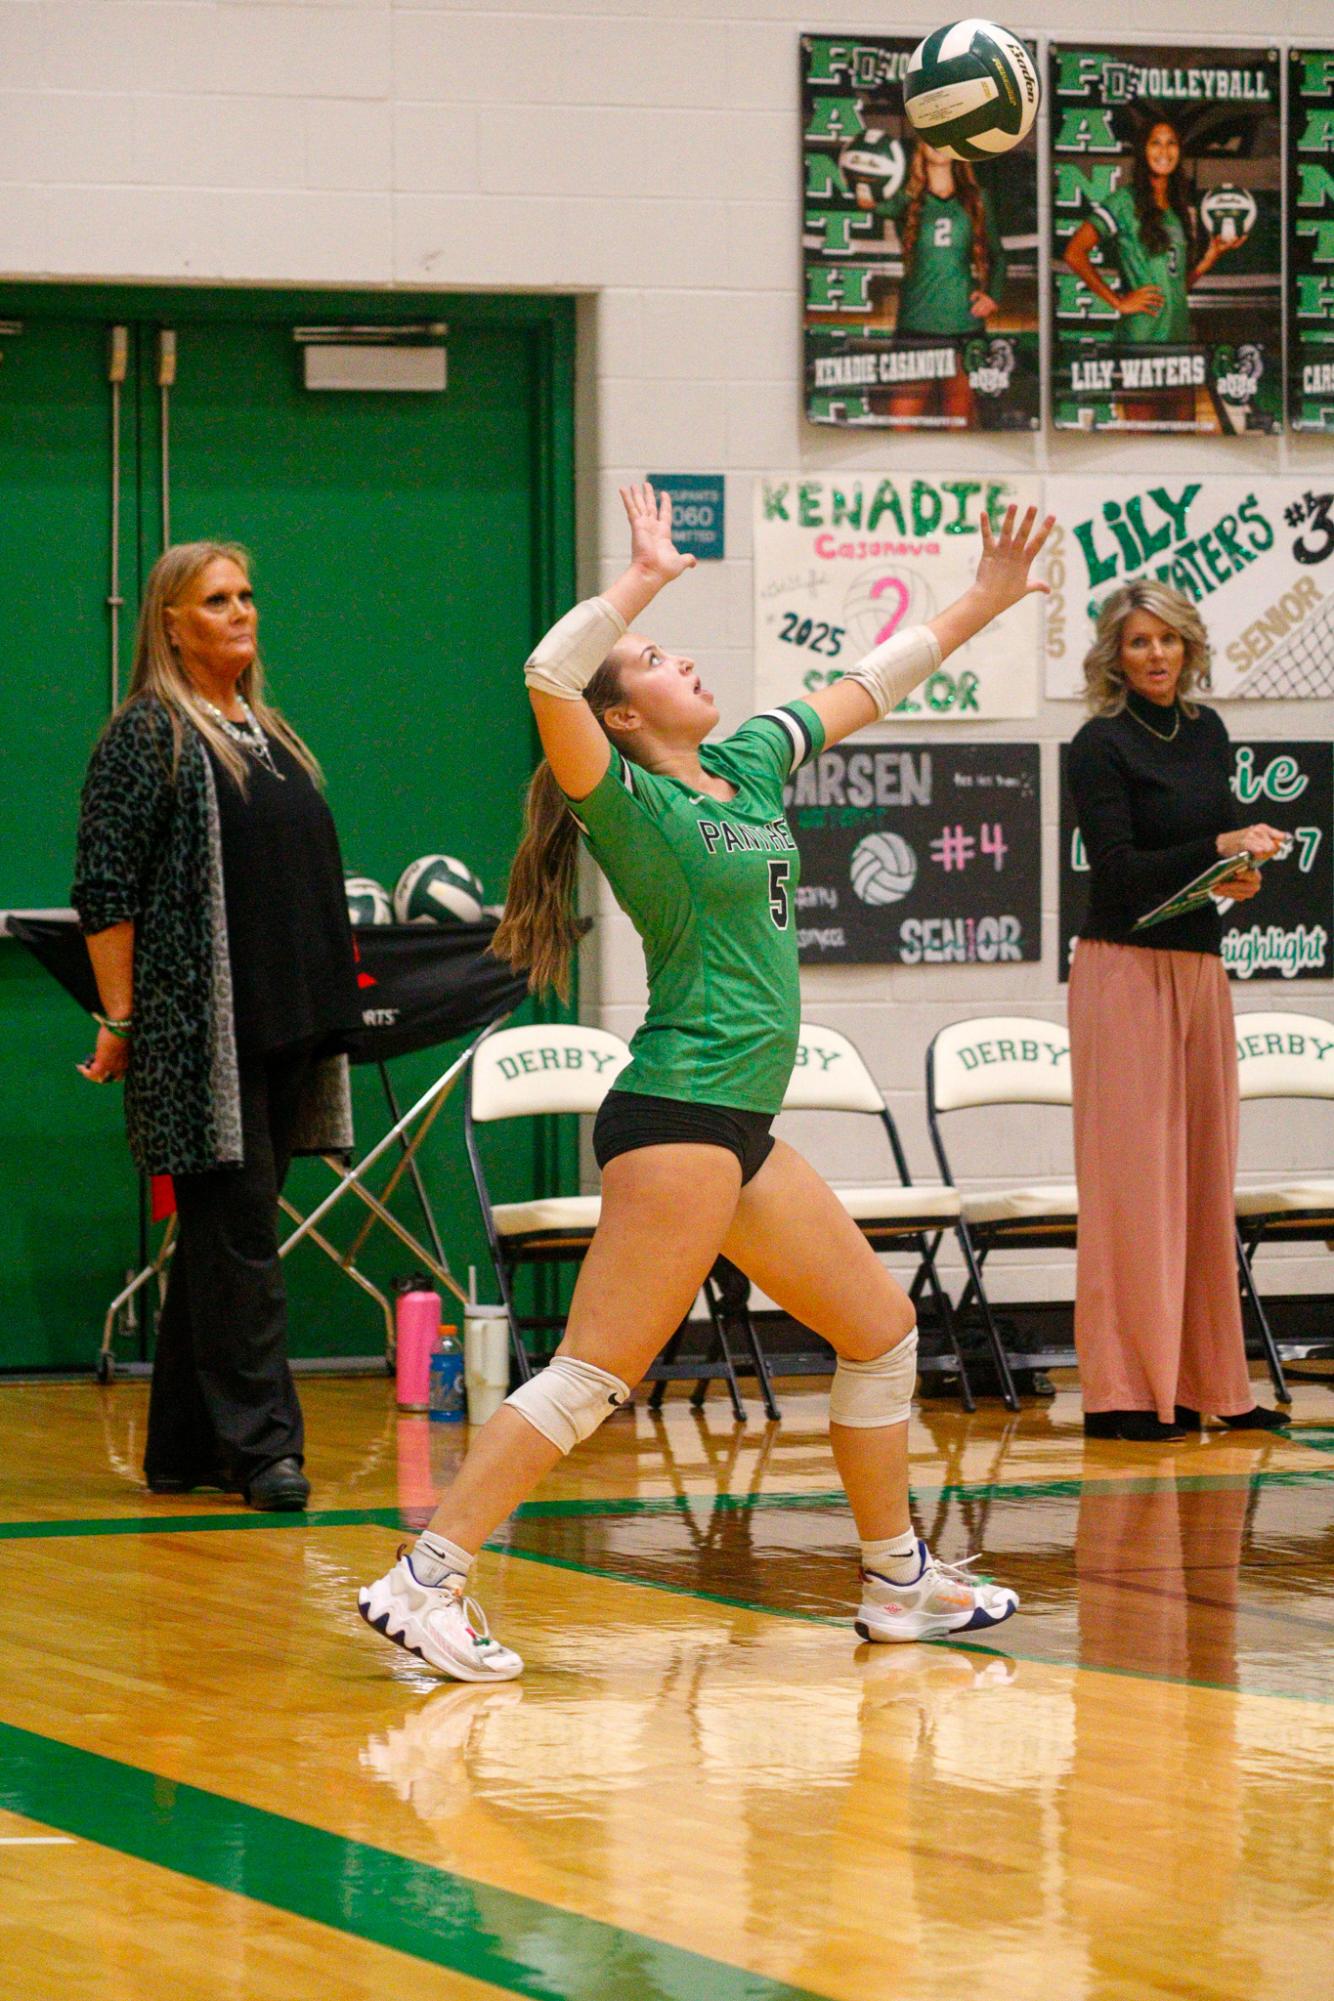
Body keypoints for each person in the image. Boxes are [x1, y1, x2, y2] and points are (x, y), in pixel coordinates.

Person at [358, 483, 1053, 1681]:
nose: (680, 662)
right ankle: (424, 1579)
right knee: (593, 1374)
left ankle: (897, 1582)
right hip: (676, 1112)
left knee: (879, 1332)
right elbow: (544, 674)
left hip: (738, 1124)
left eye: (669, 648)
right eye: (653, 662)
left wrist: (982, 602)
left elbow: (871, 683)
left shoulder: (744, 762)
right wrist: (641, 580)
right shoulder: (627, 802)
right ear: (621, 719)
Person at [72, 542, 361, 1510]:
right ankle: (265, 1451)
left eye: (247, 594)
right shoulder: (147, 734)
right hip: (205, 1033)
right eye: (217, 600)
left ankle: (182, 1451)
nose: (242, 612)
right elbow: (104, 891)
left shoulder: (266, 728)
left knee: (221, 1236)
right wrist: (123, 1015)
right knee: (239, 1236)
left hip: (287, 1016)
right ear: (170, 622)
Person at [1067, 580, 1288, 1443]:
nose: (1155, 654)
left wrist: (1236, 870)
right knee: (1132, 1185)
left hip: (1200, 967)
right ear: (1114, 657)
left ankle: (1212, 1385)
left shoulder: (1207, 732)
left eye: (1167, 639)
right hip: (1123, 968)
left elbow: (1212, 837)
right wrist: (1217, 847)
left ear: (1189, 646)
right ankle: (1123, 1391)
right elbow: (1118, 870)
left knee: (1203, 1178)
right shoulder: (1099, 744)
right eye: (1137, 642)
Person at [1062, 116, 1249, 427]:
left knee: (1182, 441)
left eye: (1172, 143)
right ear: (1143, 152)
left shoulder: (1177, 209)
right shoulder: (1124, 201)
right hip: (1141, 344)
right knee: (1143, 443)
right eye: (1156, 142)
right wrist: (1119, 302)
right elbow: (1073, 253)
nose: (1165, 150)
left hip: (1178, 344)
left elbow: (1176, 284)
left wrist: (1208, 258)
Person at [857, 139, 1008, 427]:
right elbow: (867, 199)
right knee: (900, 424)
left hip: (964, 326)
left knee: (960, 423)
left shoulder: (977, 198)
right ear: (921, 147)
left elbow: (998, 256)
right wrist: (860, 175)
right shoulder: (906, 200)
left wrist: (993, 296)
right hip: (917, 323)